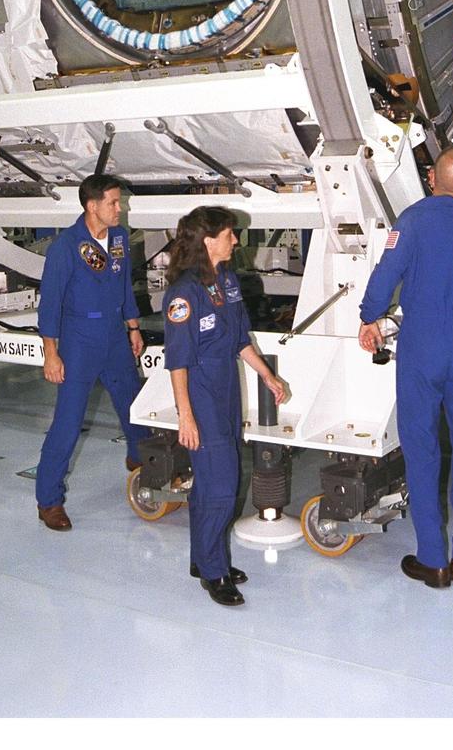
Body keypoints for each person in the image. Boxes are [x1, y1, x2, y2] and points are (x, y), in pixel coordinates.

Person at [359, 145, 453, 589]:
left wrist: (369, 317)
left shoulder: (413, 220)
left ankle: (433, 560)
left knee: (421, 451)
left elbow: (386, 273)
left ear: (432, 179)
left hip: (422, 344)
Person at [163, 206, 286, 607]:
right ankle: (214, 572)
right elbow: (177, 361)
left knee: (214, 482)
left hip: (227, 388)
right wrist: (186, 414)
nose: (236, 239)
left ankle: (204, 557)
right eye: (229, 234)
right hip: (200, 390)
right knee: (221, 486)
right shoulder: (183, 293)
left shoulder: (227, 280)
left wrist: (267, 375)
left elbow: (239, 339)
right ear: (208, 240)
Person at [35, 174, 146, 531]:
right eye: (114, 202)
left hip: (114, 335)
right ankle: (49, 500)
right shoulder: (65, 247)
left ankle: (141, 460)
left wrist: (133, 326)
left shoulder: (119, 239)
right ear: (91, 205)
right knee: (68, 423)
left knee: (134, 406)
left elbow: (124, 284)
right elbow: (49, 304)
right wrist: (51, 353)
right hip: (79, 340)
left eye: (120, 202)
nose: (120, 208)